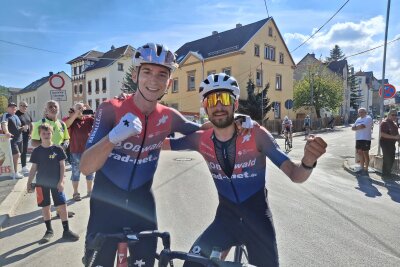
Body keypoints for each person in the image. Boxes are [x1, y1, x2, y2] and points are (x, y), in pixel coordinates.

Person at [162, 73, 327, 267]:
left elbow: (295, 174)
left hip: (258, 222)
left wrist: (308, 161)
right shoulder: (200, 138)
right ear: (205, 106)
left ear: (235, 104)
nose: (218, 106)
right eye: (212, 100)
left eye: (224, 98)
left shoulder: (256, 134)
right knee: (192, 264)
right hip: (225, 219)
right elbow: (160, 144)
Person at [79, 43, 206, 266]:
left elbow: (204, 134)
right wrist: (113, 137)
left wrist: (241, 124)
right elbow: (86, 167)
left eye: (162, 74)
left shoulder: (169, 115)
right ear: (136, 74)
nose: (153, 80)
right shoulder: (111, 108)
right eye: (147, 72)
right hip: (106, 201)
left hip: (142, 202)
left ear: (169, 81)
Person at [26, 123, 79, 244]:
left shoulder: (57, 149)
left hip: (56, 183)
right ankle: (49, 231)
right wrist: (29, 183)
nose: (46, 135)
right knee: (45, 207)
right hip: (41, 183)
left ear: (52, 134)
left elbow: (62, 166)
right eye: (43, 133)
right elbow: (33, 168)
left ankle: (66, 231)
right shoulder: (37, 151)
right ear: (39, 135)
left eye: (48, 133)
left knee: (62, 205)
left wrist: (61, 181)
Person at [63, 103, 94, 201]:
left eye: (82, 108)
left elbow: (99, 120)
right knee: (76, 173)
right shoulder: (70, 120)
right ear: (74, 110)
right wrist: (75, 115)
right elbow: (66, 125)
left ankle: (90, 191)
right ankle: (75, 192)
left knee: (90, 172)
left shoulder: (89, 119)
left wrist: (89, 109)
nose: (81, 110)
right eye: (78, 108)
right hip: (75, 151)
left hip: (88, 151)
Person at [1, 102, 27, 179]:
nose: (13, 108)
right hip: (12, 140)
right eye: (11, 107)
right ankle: (14, 173)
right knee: (16, 155)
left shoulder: (15, 116)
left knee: (17, 155)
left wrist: (23, 128)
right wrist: (6, 132)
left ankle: (13, 171)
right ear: (7, 108)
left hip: (19, 139)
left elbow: (17, 127)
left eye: (15, 107)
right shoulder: (6, 115)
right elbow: (4, 124)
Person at [351, 107, 373, 175]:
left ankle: (366, 168)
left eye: (362, 112)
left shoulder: (368, 118)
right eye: (359, 112)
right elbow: (352, 128)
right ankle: (361, 167)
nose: (360, 113)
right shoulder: (358, 119)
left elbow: (362, 126)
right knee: (360, 153)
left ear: (365, 112)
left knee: (365, 153)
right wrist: (358, 127)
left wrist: (356, 127)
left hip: (365, 138)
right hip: (358, 138)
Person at [379, 109, 400, 178]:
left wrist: (399, 141)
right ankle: (385, 175)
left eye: (396, 115)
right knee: (387, 158)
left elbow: (397, 134)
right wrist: (394, 137)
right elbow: (382, 134)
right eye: (393, 115)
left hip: (391, 144)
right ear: (388, 115)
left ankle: (388, 173)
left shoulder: (394, 124)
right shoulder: (385, 122)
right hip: (385, 143)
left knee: (392, 158)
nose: (394, 116)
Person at [16, 101, 33, 174]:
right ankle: (14, 169)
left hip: (26, 136)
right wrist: (21, 128)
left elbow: (31, 124)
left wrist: (30, 133)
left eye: (26, 106)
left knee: (24, 151)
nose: (25, 107)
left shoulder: (27, 114)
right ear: (19, 106)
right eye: (23, 106)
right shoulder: (16, 114)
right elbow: (13, 125)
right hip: (17, 136)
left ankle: (24, 167)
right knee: (16, 153)